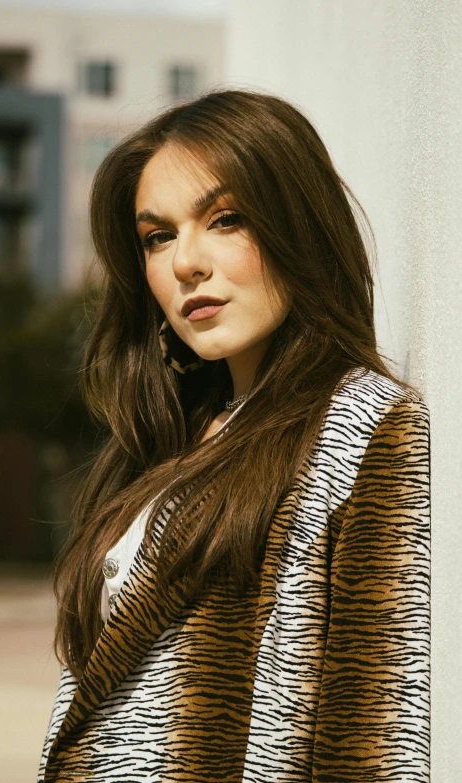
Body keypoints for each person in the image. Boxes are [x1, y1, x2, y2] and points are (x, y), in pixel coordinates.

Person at [38, 90, 430, 783]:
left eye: (225, 219)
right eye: (158, 236)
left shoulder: (359, 428)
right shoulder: (172, 441)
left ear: (297, 226)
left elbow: (372, 733)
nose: (186, 262)